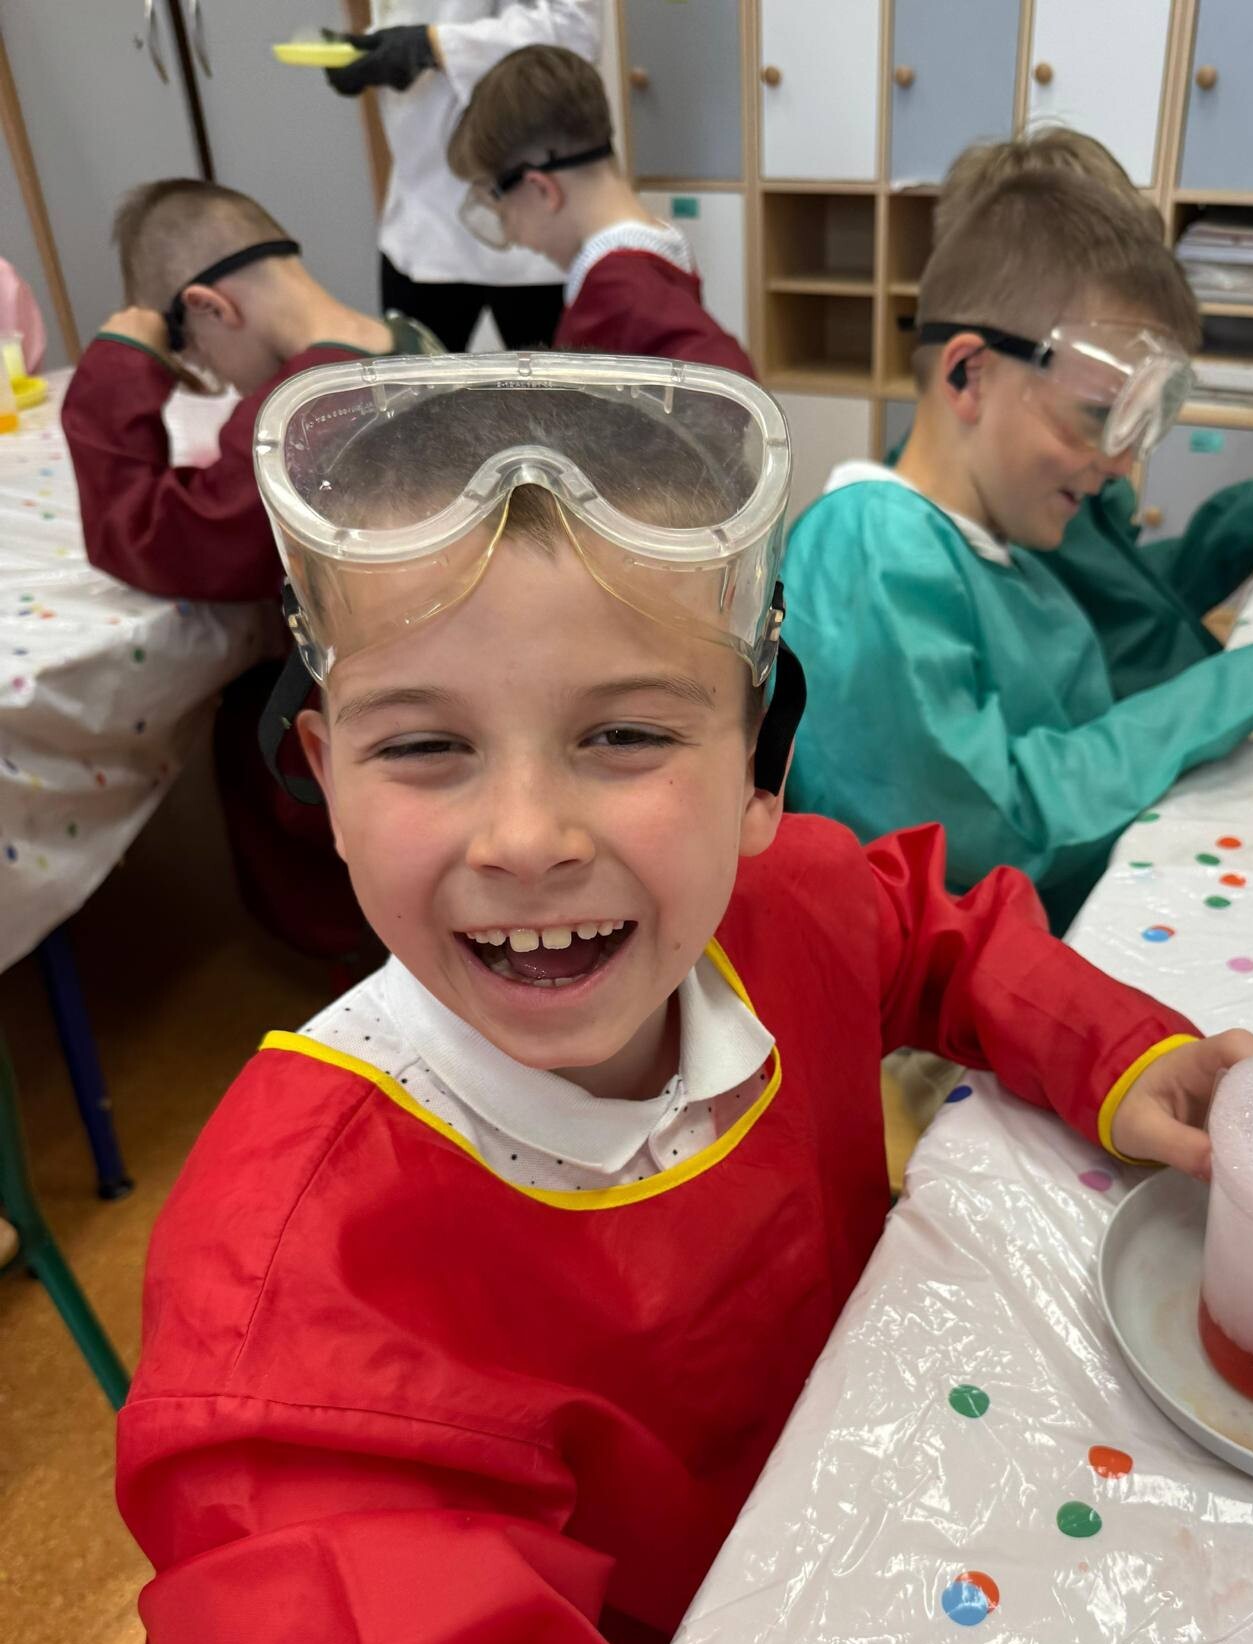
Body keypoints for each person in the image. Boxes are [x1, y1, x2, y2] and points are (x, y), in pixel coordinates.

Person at [117, 354, 1253, 1644]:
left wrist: (1121, 1056)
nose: (526, 835)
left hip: (875, 1534)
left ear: (764, 764)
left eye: (625, 734)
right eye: (425, 745)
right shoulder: (290, 1291)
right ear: (324, 777)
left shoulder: (778, 909)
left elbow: (927, 926)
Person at [782, 167, 1253, 932]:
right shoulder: (871, 546)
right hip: (945, 991)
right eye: (1097, 416)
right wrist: (1242, 682)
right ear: (968, 374)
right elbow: (986, 830)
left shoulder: (1000, 556)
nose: (1122, 464)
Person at [60, 179, 439, 959]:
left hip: (381, 705)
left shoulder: (303, 406)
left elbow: (156, 539)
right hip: (436, 655)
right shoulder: (407, 339)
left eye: (197, 354)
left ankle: (355, 942)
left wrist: (117, 371)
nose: (225, 383)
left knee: (244, 722)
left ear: (209, 307)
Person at [937, 130, 1253, 699]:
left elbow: (1128, 596)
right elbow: (1085, 713)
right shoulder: (979, 517)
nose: (1121, 461)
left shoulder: (1053, 457)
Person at [445, 42, 755, 374]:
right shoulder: (662, 247)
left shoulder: (615, 287)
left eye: (504, 215)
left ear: (542, 190)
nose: (517, 239)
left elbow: (726, 373)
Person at [325, 1, 601, 351]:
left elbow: (575, 31)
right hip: (419, 217)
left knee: (555, 383)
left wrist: (432, 45)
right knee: (411, 383)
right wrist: (373, 52)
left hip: (528, 214)